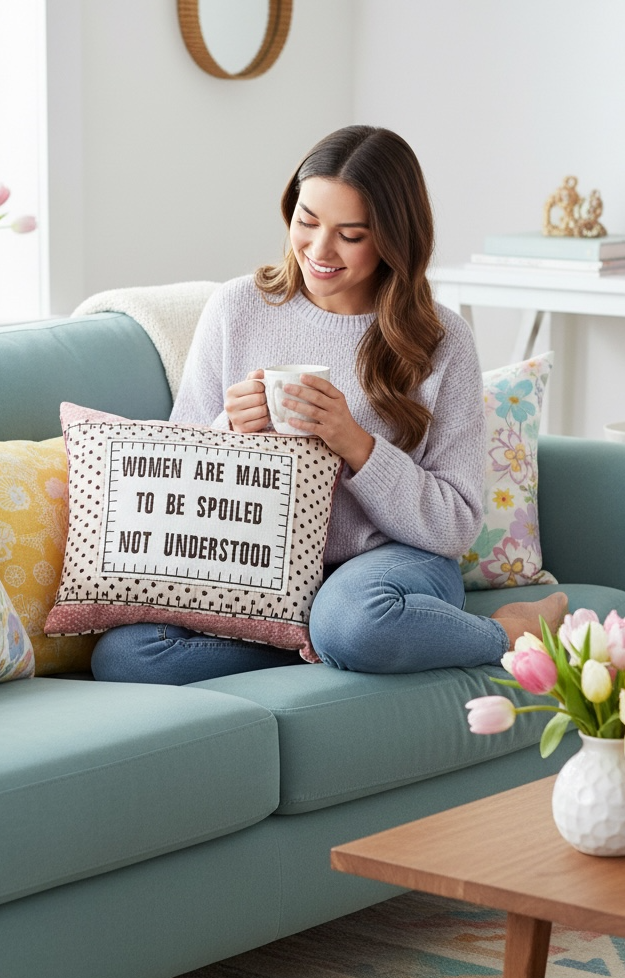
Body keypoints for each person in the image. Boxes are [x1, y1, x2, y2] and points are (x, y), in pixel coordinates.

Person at [91, 125, 566, 685]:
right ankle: (323, 640)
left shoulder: (441, 339)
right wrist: (231, 427)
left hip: (393, 563)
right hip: (262, 567)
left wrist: (355, 442)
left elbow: (456, 524)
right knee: (127, 654)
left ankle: (508, 633)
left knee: (354, 619)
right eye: (307, 221)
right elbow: (180, 477)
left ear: (393, 238)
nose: (319, 251)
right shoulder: (237, 307)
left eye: (351, 234)